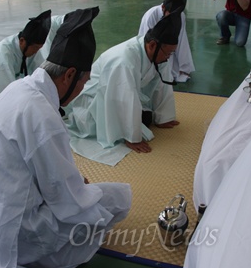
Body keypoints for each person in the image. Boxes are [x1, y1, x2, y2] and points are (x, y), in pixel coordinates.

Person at [0, 6, 131, 268]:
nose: (81, 90)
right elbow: (65, 196)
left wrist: (70, 180)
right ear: (69, 75)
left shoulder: (18, 88)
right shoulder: (43, 115)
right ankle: (42, 259)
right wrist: (81, 188)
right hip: (24, 232)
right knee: (118, 198)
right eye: (84, 82)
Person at [65, 10, 182, 165]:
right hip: (94, 105)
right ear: (153, 45)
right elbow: (124, 96)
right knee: (141, 122)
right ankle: (124, 130)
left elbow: (162, 84)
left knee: (146, 119)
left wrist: (163, 117)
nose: (168, 57)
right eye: (168, 53)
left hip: (117, 96)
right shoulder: (124, 60)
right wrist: (131, 137)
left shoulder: (155, 53)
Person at [0, 10, 51, 115]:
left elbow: (39, 75)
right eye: (35, 48)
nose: (36, 51)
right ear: (22, 41)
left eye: (39, 48)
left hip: (17, 91)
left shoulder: (31, 50)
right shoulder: (3, 54)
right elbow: (0, 91)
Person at [138, 0, 195, 82]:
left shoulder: (180, 16)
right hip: (154, 50)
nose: (174, 17)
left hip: (168, 52)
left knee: (172, 72)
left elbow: (181, 41)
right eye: (171, 13)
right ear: (163, 7)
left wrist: (184, 67)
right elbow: (147, 43)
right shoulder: (151, 15)